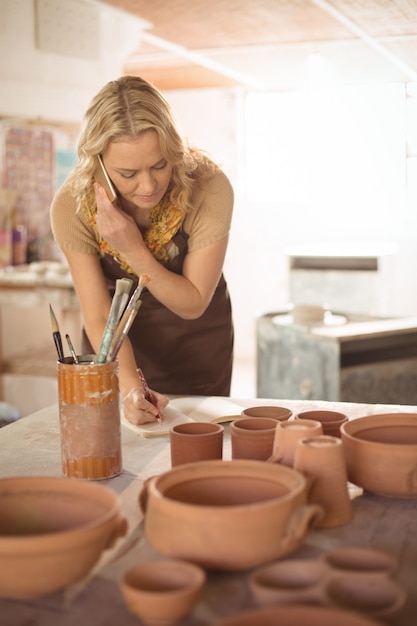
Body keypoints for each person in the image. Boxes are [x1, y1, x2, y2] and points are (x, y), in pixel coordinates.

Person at [50, 76, 234, 425]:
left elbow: (193, 303)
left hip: (196, 343)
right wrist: (131, 387)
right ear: (98, 163)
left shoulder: (209, 188)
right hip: (117, 349)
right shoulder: (72, 207)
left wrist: (133, 249)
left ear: (174, 148)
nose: (148, 186)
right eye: (127, 173)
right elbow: (100, 316)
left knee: (194, 447)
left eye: (160, 165)